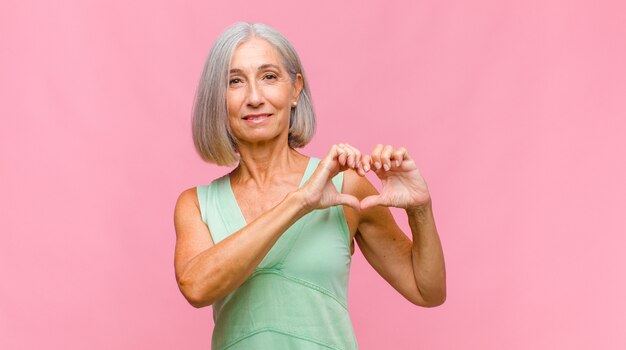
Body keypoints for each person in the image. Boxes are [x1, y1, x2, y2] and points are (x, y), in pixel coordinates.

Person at [174, 22, 446, 349]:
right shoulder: (197, 204)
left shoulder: (346, 187)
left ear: (295, 89)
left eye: (269, 77)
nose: (255, 97)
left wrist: (420, 209)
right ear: (218, 99)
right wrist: (300, 201)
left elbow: (427, 290)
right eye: (235, 81)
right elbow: (196, 287)